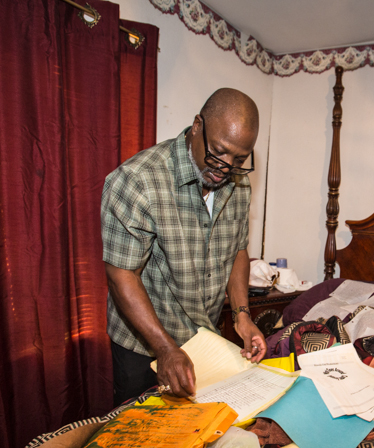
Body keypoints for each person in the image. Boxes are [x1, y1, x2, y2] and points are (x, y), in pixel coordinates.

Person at [101, 88, 267, 405]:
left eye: (240, 159)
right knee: (142, 443)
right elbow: (123, 274)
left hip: (203, 341)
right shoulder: (138, 180)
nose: (226, 167)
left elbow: (237, 251)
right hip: (143, 345)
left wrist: (242, 316)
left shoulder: (237, 182)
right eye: (219, 151)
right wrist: (164, 347)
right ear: (196, 126)